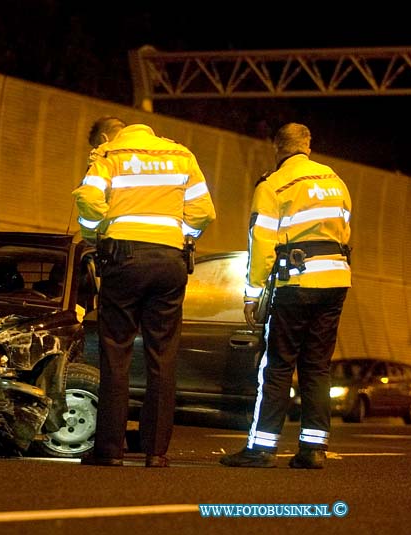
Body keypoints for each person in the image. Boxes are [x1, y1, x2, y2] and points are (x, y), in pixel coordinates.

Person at [72, 116, 216, 467]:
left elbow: (88, 202)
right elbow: (204, 213)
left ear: (107, 136)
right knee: (163, 357)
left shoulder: (111, 154)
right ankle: (156, 452)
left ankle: (110, 450)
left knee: (116, 354)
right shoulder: (182, 155)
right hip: (170, 261)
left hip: (124, 258)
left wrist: (95, 234)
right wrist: (182, 238)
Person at [220, 122, 352, 469]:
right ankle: (314, 449)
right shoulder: (334, 181)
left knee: (278, 366)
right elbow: (345, 230)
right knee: (317, 367)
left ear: (278, 147)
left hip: (296, 283)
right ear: (308, 145)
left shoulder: (274, 183)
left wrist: (252, 295)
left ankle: (261, 448)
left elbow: (262, 242)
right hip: (336, 280)